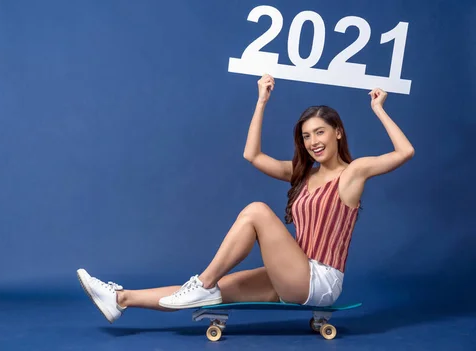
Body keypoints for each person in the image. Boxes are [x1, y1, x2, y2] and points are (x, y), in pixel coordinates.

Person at [76, 74, 415, 324]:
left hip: (320, 280)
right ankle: (120, 298)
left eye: (320, 132)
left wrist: (378, 108)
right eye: (307, 135)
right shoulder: (303, 174)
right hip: (291, 273)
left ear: (337, 132)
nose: (313, 141)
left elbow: (405, 151)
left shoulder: (353, 173)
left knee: (255, 212)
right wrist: (262, 100)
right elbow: (252, 155)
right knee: (216, 291)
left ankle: (203, 281)